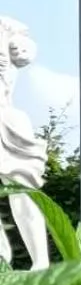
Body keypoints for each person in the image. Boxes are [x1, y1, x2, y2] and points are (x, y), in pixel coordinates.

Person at [0, 16, 54, 271]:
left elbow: (24, 54)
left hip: (5, 117)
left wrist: (18, 46)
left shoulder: (7, 27)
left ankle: (40, 263)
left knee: (23, 191)